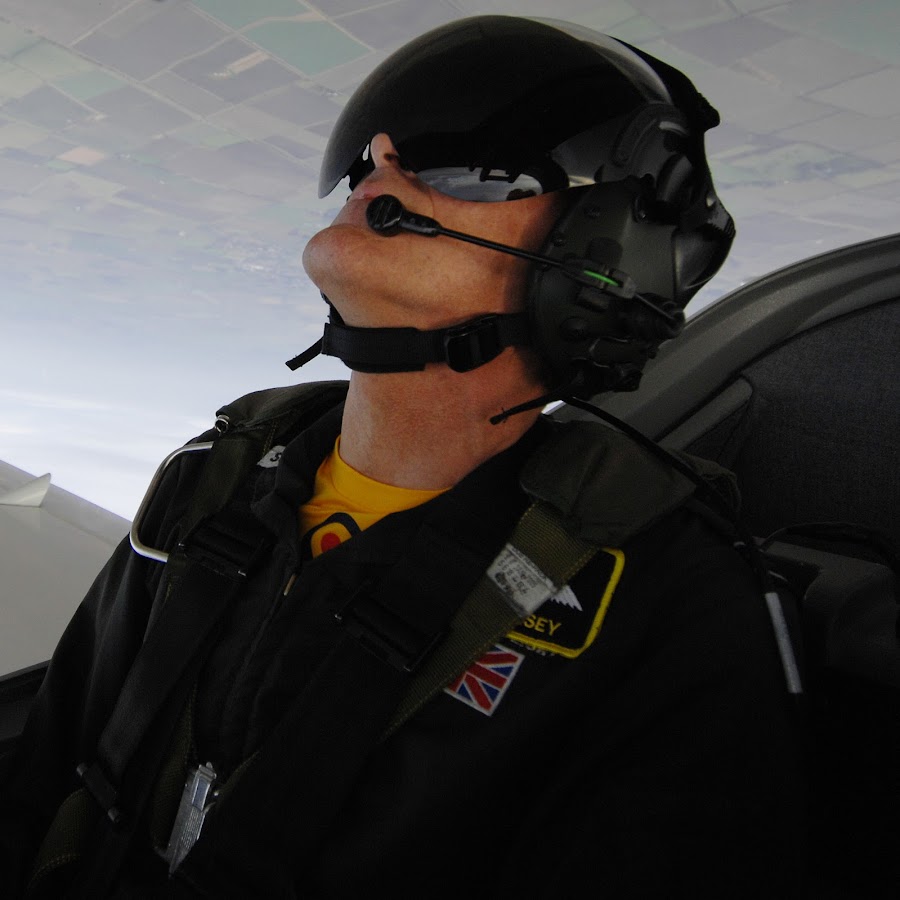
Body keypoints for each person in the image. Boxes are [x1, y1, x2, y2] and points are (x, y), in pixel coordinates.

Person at [0, 15, 807, 899]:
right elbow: (44, 772)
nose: (380, 161)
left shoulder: (664, 602)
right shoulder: (217, 472)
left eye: (474, 165)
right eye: (375, 158)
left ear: (602, 253)